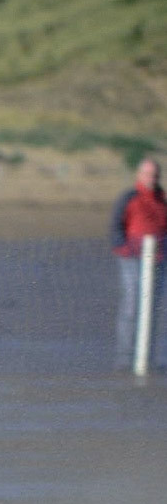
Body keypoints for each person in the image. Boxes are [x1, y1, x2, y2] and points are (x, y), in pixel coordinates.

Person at [111, 157, 167, 366]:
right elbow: (116, 226)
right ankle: (125, 357)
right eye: (147, 174)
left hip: (159, 261)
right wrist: (124, 248)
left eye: (155, 174)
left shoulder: (162, 200)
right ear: (139, 175)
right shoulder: (129, 197)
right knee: (132, 305)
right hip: (132, 260)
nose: (151, 178)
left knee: (152, 308)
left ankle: (147, 356)